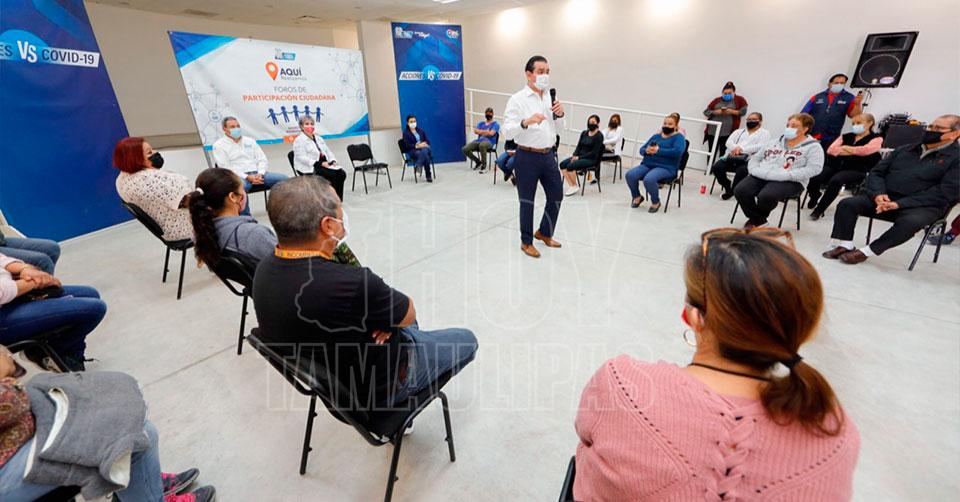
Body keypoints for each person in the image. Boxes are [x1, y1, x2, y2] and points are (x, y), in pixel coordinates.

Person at [573, 228, 859, 501]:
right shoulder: (833, 431)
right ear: (803, 328)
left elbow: (587, 454)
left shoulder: (622, 385)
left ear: (694, 317)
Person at [252, 176, 477, 408]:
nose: (343, 213)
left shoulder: (263, 269)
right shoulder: (352, 283)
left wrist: (387, 321)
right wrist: (388, 320)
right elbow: (409, 311)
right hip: (383, 387)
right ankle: (408, 386)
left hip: (339, 391)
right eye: (339, 206)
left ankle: (400, 333)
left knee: (399, 319)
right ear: (328, 225)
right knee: (467, 339)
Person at [0, 347, 216, 501]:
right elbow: (11, 400)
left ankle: (144, 486)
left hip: (18, 429)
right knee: (134, 436)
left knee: (111, 404)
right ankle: (145, 489)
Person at [823, 115, 960, 265]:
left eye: (938, 128)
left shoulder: (956, 159)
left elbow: (945, 192)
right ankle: (845, 244)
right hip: (885, 198)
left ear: (955, 134)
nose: (931, 130)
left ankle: (867, 251)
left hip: (921, 205)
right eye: (931, 126)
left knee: (910, 222)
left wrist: (900, 204)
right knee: (847, 204)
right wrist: (878, 193)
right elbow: (876, 172)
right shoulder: (906, 149)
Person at [188, 168, 361, 271]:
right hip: (299, 283)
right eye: (243, 191)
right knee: (334, 241)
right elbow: (292, 262)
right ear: (233, 197)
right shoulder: (252, 235)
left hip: (265, 288)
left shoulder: (203, 231)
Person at [502, 55, 566, 258]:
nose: (545, 75)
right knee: (527, 200)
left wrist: (560, 115)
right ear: (529, 74)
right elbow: (507, 131)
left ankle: (544, 232)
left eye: (547, 72)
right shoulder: (517, 99)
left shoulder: (549, 97)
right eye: (540, 72)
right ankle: (526, 241)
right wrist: (525, 122)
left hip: (548, 155)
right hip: (527, 156)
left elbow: (559, 129)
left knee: (556, 195)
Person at [0, 252, 105, 371]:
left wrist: (25, 269)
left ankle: (65, 356)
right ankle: (44, 353)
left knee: (89, 294)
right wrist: (35, 282)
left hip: (10, 294)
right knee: (94, 309)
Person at [734, 113, 824, 228]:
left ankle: (755, 221)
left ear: (805, 129)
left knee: (767, 196)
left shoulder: (813, 147)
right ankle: (759, 221)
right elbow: (756, 158)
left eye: (794, 126)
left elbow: (815, 169)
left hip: (791, 180)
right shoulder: (774, 142)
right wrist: (753, 169)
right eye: (788, 125)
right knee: (741, 190)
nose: (789, 128)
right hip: (762, 174)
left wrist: (788, 175)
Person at [114, 137, 194, 242]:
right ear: (136, 159)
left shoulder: (121, 179)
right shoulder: (149, 180)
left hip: (167, 230)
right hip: (184, 227)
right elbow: (190, 201)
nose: (155, 152)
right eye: (149, 152)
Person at [806, 113, 883, 220]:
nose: (855, 125)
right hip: (835, 166)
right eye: (853, 123)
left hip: (857, 169)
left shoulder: (876, 139)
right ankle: (815, 195)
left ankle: (819, 210)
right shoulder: (846, 136)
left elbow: (865, 151)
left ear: (870, 123)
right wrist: (854, 150)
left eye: (859, 123)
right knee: (815, 175)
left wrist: (845, 147)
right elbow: (831, 150)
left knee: (836, 181)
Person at [212, 116, 288, 214]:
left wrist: (260, 173)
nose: (236, 129)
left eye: (238, 126)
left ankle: (282, 210)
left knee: (284, 179)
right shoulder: (219, 145)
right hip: (238, 177)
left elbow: (262, 159)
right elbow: (226, 167)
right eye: (232, 127)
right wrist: (247, 177)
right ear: (225, 129)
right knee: (240, 188)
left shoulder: (250, 141)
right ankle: (246, 218)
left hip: (258, 174)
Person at [624, 114, 686, 213]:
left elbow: (678, 152)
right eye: (665, 123)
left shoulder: (679, 138)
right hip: (648, 165)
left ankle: (656, 202)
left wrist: (658, 150)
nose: (666, 125)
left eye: (670, 124)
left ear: (675, 126)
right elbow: (642, 149)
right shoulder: (656, 136)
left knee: (649, 179)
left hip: (666, 167)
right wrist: (646, 151)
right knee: (630, 175)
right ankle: (637, 196)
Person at [710, 112, 770, 200]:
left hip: (748, 160)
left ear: (760, 121)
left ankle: (732, 191)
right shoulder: (739, 131)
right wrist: (736, 148)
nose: (751, 121)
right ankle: (727, 185)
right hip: (732, 157)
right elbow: (728, 142)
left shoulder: (764, 133)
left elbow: (760, 146)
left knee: (742, 171)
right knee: (717, 167)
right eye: (749, 119)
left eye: (754, 119)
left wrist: (741, 149)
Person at [800, 73, 864, 149]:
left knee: (826, 155)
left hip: (831, 137)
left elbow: (855, 116)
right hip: (811, 136)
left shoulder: (849, 98)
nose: (839, 85)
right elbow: (803, 115)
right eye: (836, 83)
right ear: (829, 84)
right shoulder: (817, 97)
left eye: (842, 83)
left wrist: (857, 104)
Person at [293, 115, 346, 200]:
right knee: (331, 175)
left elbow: (328, 151)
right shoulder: (299, 140)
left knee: (341, 173)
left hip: (324, 163)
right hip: (310, 166)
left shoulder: (318, 138)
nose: (310, 126)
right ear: (301, 127)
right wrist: (320, 164)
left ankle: (338, 199)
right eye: (307, 124)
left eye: (312, 124)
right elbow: (301, 157)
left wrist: (333, 160)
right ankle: (328, 200)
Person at [559, 115, 605, 196]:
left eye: (593, 122)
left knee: (570, 166)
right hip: (579, 157)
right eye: (589, 122)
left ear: (598, 123)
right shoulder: (584, 133)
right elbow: (579, 146)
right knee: (562, 164)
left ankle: (574, 185)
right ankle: (572, 185)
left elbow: (594, 153)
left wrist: (579, 157)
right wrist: (574, 155)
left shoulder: (599, 136)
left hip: (591, 159)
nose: (591, 124)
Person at [702, 81, 749, 158]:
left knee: (724, 153)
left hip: (728, 132)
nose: (727, 95)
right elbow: (706, 112)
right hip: (713, 131)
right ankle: (709, 166)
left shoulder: (740, 100)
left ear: (734, 92)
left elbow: (743, 112)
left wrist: (732, 111)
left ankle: (720, 166)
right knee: (711, 152)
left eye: (729, 93)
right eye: (725, 93)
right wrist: (715, 112)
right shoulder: (717, 100)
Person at [462, 107, 500, 173]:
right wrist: (486, 131)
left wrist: (481, 132)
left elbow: (491, 133)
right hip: (479, 141)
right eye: (487, 113)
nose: (488, 115)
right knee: (465, 149)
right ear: (485, 114)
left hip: (489, 142)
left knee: (482, 145)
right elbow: (475, 131)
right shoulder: (481, 123)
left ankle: (484, 167)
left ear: (492, 114)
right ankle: (478, 162)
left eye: (490, 113)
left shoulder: (496, 124)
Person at [401, 114, 434, 182]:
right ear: (407, 123)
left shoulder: (420, 131)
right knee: (426, 156)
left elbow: (427, 141)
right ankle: (428, 175)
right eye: (411, 122)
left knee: (425, 150)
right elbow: (407, 145)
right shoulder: (405, 133)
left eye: (414, 121)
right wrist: (418, 146)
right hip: (413, 151)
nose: (413, 123)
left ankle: (418, 165)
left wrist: (424, 144)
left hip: (425, 148)